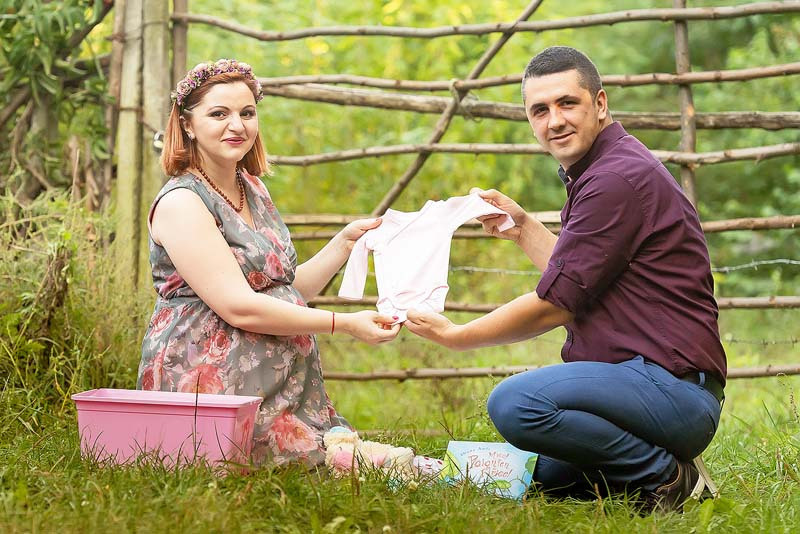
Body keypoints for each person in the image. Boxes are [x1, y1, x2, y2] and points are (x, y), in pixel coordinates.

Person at [404, 46, 726, 511]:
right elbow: (580, 277)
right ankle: (635, 474)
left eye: (567, 103)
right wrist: (523, 229)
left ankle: (668, 478)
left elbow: (556, 302)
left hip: (672, 390)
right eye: (540, 110)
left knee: (516, 404)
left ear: (600, 103)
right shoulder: (602, 170)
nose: (554, 120)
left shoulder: (616, 179)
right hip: (643, 388)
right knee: (542, 471)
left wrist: (458, 336)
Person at [137, 59, 400, 466]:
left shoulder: (251, 188)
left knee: (358, 465)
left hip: (282, 384)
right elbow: (239, 306)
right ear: (187, 125)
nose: (237, 126)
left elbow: (283, 292)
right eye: (219, 114)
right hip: (214, 383)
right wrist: (343, 323)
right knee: (348, 468)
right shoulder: (182, 202)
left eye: (247, 113)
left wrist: (343, 244)